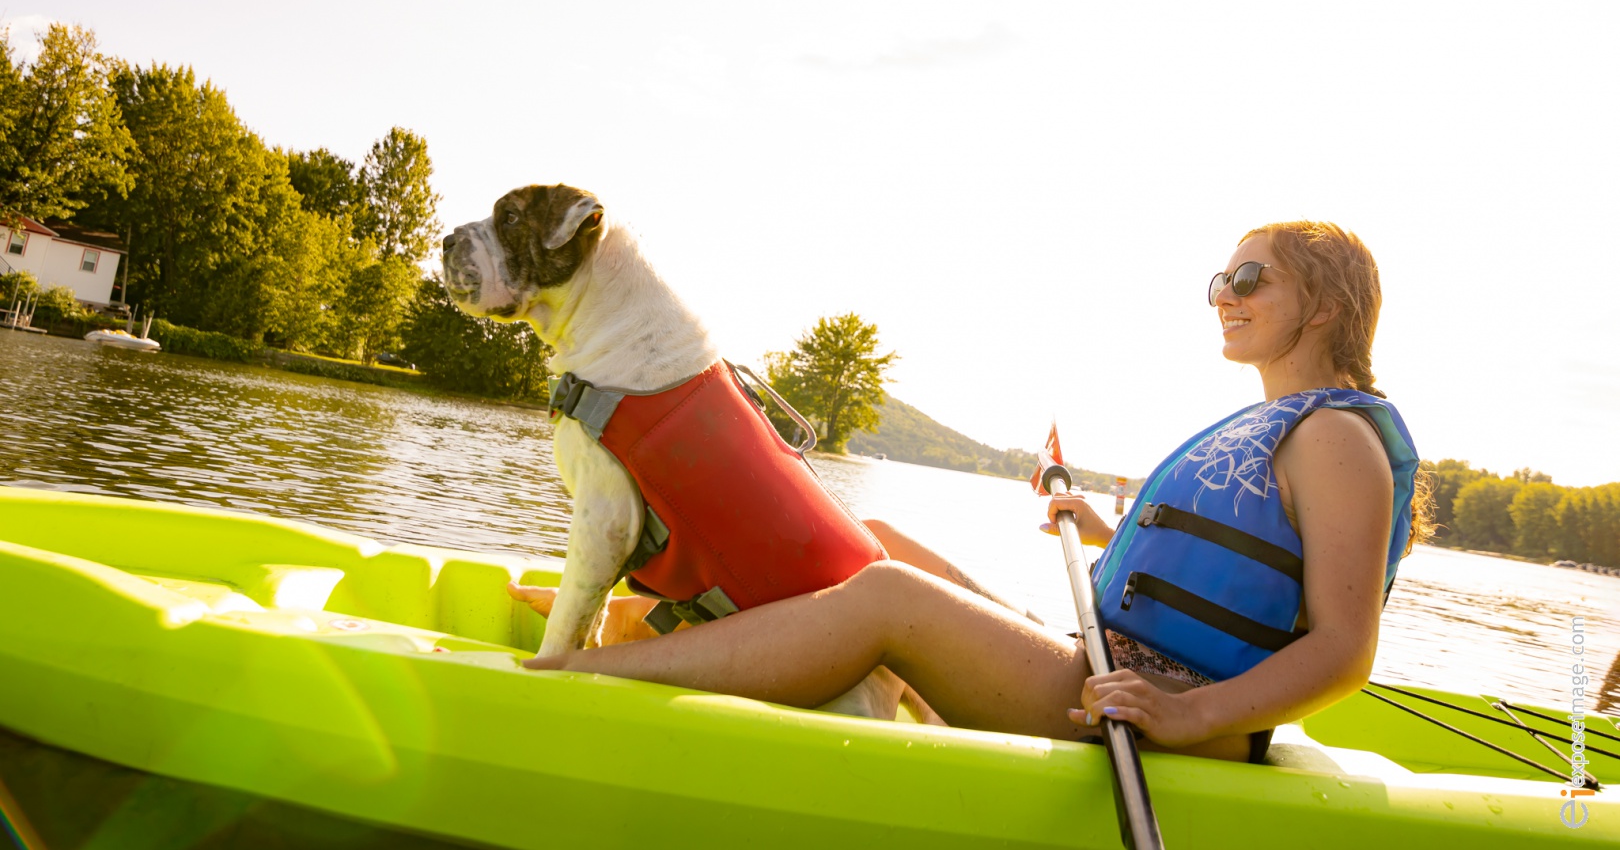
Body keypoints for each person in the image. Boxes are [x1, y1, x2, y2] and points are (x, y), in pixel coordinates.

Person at [509, 221, 1428, 763]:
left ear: (1327, 306)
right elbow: (1216, 573)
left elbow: (1345, 652)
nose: (1226, 292)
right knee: (878, 537)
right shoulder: (1290, 427)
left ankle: (579, 674)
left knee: (888, 595)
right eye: (1222, 277)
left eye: (1252, 278)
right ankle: (666, 621)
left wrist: (1189, 715)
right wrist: (1107, 529)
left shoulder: (1339, 438)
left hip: (1158, 710)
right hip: (1114, 665)